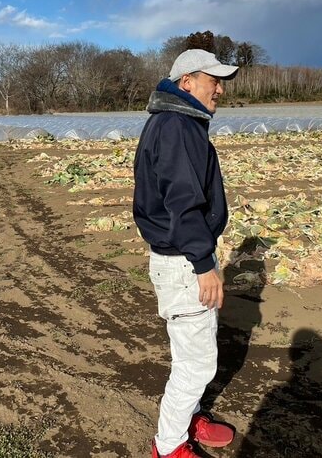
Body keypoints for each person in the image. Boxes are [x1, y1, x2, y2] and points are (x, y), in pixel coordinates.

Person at [133, 49, 238, 458]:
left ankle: (189, 417)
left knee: (196, 350)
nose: (220, 89)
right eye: (214, 79)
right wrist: (203, 263)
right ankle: (169, 445)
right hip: (182, 261)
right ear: (187, 82)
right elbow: (182, 201)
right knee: (196, 364)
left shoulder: (176, 122)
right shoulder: (177, 126)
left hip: (181, 257)